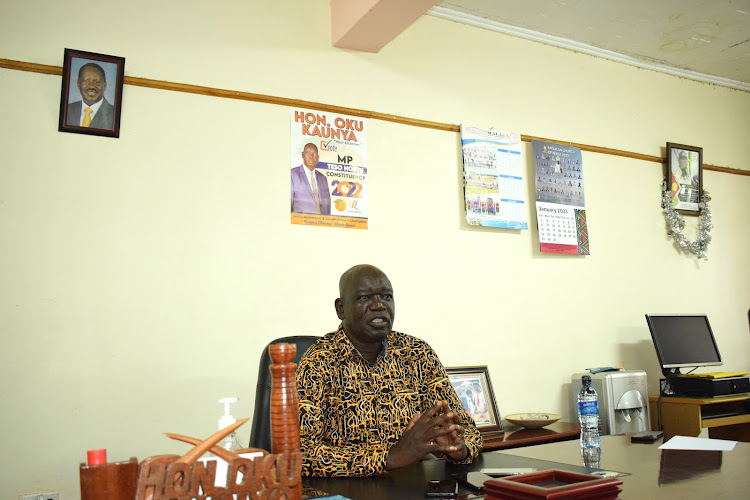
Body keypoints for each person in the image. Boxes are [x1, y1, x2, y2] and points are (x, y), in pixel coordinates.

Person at [296, 264, 482, 477]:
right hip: (347, 490)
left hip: (412, 487)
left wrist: (459, 448)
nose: (378, 305)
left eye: (386, 296)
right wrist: (389, 458)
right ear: (341, 308)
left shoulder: (417, 354)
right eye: (364, 298)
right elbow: (302, 454)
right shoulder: (318, 361)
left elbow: (467, 429)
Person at [66, 62, 115, 130]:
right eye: (86, 81)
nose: (91, 86)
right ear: (78, 84)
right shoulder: (67, 110)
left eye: (97, 82)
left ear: (104, 86)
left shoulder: (114, 114)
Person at [290, 143, 331, 215]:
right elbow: (288, 205)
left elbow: (327, 206)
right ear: (302, 155)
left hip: (322, 223)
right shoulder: (293, 174)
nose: (311, 157)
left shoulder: (323, 178)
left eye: (314, 154)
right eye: (308, 153)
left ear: (318, 158)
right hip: (301, 223)